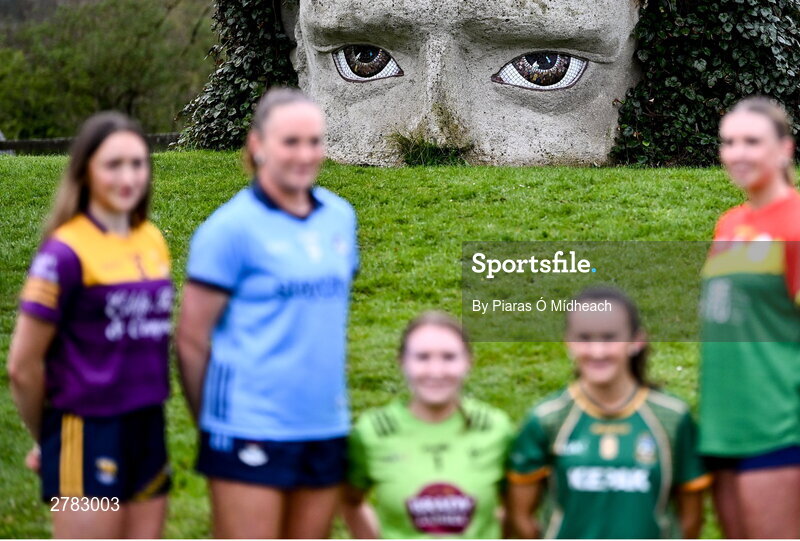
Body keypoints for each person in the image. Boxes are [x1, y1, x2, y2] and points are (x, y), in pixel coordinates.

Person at [176, 87, 359, 538]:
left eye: (314, 141)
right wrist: (216, 422)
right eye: (290, 142)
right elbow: (191, 339)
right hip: (248, 425)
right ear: (258, 145)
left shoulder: (340, 218)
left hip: (323, 422)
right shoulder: (228, 230)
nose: (305, 154)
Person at [7, 112, 174, 538]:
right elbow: (23, 368)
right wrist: (48, 437)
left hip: (148, 428)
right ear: (85, 170)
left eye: (137, 163)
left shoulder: (152, 240)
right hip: (86, 431)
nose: (128, 177)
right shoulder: (63, 254)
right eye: (113, 164)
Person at [698, 96, 800, 538]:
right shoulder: (727, 224)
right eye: (728, 142)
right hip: (721, 427)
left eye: (751, 142)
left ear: (785, 149)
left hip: (777, 426)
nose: (736, 153)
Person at [507, 287, 709, 539]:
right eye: (585, 338)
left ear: (636, 341)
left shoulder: (673, 417)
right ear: (568, 342)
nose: (597, 351)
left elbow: (690, 521)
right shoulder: (547, 419)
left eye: (610, 338)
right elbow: (521, 519)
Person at [339, 312, 513, 539]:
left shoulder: (496, 429)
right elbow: (349, 501)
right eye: (422, 357)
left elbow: (518, 510)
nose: (436, 371)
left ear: (469, 361)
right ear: (402, 362)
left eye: (449, 357)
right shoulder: (371, 432)